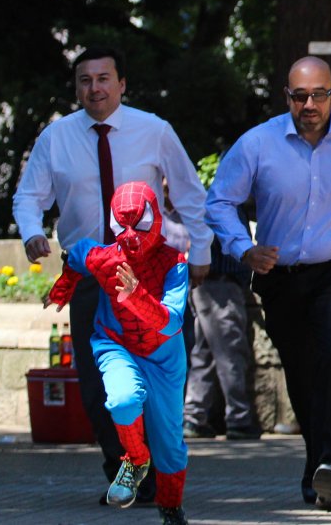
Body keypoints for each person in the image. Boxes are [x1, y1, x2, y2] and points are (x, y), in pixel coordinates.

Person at [205, 55, 331, 511]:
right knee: (299, 371)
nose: (310, 105)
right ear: (287, 98)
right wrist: (243, 248)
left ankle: (330, 463)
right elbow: (219, 201)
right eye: (300, 96)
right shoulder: (257, 143)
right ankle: (315, 462)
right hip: (278, 274)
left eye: (319, 94)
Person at [12, 46, 211, 504]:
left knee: (163, 374)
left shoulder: (154, 130)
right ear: (76, 88)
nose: (95, 88)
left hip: (151, 274)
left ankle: (158, 465)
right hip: (90, 276)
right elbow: (28, 197)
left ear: (122, 84)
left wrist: (200, 251)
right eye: (85, 80)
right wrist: (32, 233)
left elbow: (189, 193)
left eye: (104, 79)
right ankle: (124, 468)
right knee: (98, 383)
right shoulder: (56, 137)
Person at [46, 182, 192, 525]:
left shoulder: (174, 263)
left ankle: (171, 508)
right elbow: (77, 255)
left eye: (139, 225)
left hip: (164, 356)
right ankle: (136, 459)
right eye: (121, 226)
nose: (130, 237)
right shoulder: (105, 257)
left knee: (169, 443)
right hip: (117, 344)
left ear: (154, 219)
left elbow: (171, 322)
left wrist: (136, 295)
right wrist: (64, 287)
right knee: (123, 400)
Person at [182, 204, 259, 440]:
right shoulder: (222, 203)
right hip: (220, 284)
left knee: (204, 353)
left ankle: (194, 416)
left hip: (208, 284)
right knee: (231, 352)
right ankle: (239, 417)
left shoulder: (218, 202)